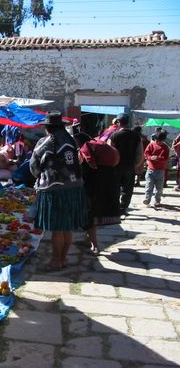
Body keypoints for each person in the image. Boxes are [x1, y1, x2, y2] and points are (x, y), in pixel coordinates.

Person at [30, 111, 87, 270]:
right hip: (74, 188)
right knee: (66, 226)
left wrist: (40, 176)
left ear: (48, 128)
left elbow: (34, 167)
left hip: (54, 190)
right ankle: (63, 259)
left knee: (57, 228)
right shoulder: (71, 140)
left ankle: (56, 261)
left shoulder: (44, 142)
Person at [73, 132, 121, 254]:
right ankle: (88, 240)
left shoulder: (85, 151)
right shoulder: (98, 148)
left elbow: (84, 172)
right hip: (108, 183)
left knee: (89, 215)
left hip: (93, 186)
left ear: (79, 142)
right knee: (96, 214)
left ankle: (95, 246)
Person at [109, 113, 143, 214]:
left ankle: (114, 207)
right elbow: (139, 153)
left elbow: (111, 150)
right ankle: (123, 208)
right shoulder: (136, 136)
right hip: (129, 166)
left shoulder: (114, 135)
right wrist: (135, 164)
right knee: (127, 189)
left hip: (116, 166)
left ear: (118, 122)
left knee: (115, 187)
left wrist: (112, 164)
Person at [143, 131, 170, 207]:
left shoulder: (165, 147)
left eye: (161, 141)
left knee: (159, 187)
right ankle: (147, 199)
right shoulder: (151, 145)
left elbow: (166, 158)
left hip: (160, 170)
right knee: (148, 185)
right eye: (157, 140)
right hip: (150, 169)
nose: (158, 142)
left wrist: (158, 158)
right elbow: (146, 154)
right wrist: (150, 157)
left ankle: (157, 200)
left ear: (163, 140)